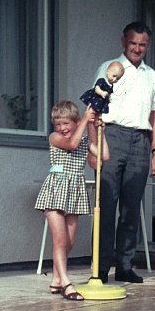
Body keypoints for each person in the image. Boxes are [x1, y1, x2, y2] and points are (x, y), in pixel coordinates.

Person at [87, 22, 155, 284]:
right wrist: (94, 146)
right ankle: (100, 269)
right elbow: (93, 109)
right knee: (106, 205)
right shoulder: (109, 68)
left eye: (142, 45)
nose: (137, 49)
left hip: (140, 140)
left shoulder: (150, 75)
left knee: (131, 208)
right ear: (123, 42)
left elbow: (154, 114)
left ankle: (125, 265)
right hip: (111, 136)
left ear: (147, 46)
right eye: (133, 43)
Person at [35, 100, 104, 300]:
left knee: (70, 242)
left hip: (74, 192)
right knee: (60, 240)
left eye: (66, 123)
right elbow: (71, 144)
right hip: (56, 189)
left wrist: (94, 126)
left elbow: (103, 155)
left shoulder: (84, 141)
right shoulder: (55, 137)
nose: (62, 128)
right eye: (58, 124)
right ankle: (66, 283)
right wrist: (84, 120)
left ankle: (56, 280)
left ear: (75, 122)